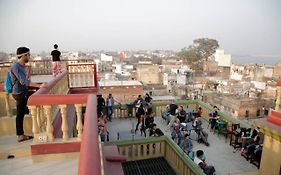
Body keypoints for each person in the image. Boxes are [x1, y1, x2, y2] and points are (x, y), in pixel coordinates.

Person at [11, 47, 47, 142]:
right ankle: (20, 135)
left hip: (23, 92)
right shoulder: (16, 66)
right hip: (19, 93)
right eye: (28, 55)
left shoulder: (21, 66)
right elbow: (23, 82)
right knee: (20, 114)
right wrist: (39, 86)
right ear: (23, 55)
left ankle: (21, 134)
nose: (29, 57)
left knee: (23, 113)